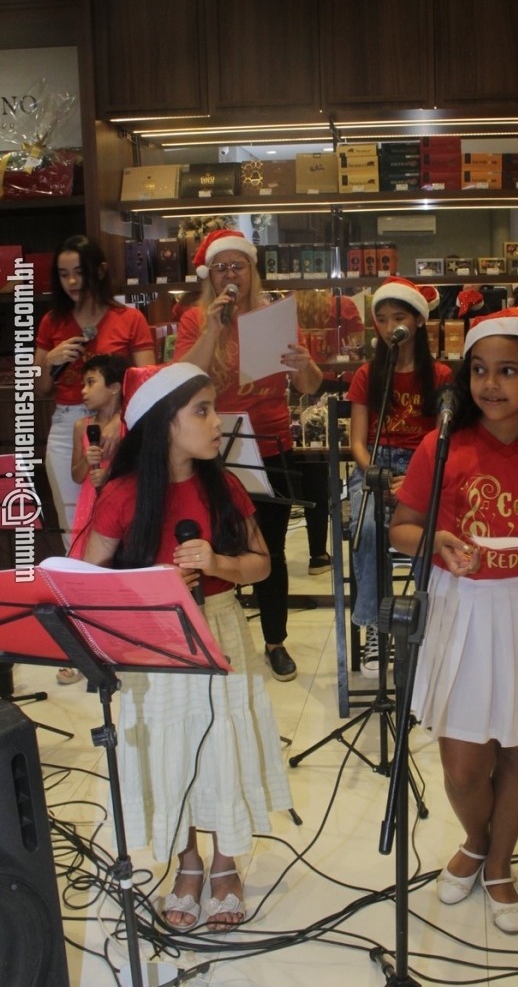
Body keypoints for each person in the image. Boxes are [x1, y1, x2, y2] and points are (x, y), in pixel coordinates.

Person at [389, 307, 518, 934]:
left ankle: (499, 862)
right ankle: (476, 840)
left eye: (508, 370)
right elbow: (403, 528)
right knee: (462, 764)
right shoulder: (442, 444)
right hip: (463, 608)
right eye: (479, 370)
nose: (490, 384)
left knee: (517, 750)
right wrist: (435, 541)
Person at [80, 361, 293, 931]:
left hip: (219, 630)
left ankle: (225, 863)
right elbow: (87, 579)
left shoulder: (222, 485)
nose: (216, 421)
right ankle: (189, 861)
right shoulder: (124, 494)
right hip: (155, 646)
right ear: (162, 424)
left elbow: (262, 564)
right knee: (170, 749)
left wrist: (217, 562)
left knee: (223, 742)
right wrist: (147, 588)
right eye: (201, 410)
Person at [174, 229, 323, 681]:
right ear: (210, 276)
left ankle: (274, 642)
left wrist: (305, 365)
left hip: (270, 444)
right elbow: (181, 379)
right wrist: (212, 329)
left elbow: (309, 387)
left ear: (252, 271)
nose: (230, 275)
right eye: (221, 268)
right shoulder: (193, 319)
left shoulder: (274, 316)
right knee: (216, 547)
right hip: (209, 447)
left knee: (268, 550)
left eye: (238, 266)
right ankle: (222, 638)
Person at [346, 277, 453, 676]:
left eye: (399, 317)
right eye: (383, 319)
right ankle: (377, 625)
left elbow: (446, 439)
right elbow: (357, 441)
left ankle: (433, 622)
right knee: (370, 527)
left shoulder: (441, 375)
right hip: (375, 465)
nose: (391, 327)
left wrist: (411, 482)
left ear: (418, 321)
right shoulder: (367, 373)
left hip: (422, 466)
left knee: (440, 526)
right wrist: (373, 472)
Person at [34, 235, 154, 547]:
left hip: (118, 424)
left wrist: (120, 421)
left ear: (98, 271)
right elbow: (40, 389)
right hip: (67, 427)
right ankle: (82, 590)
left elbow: (147, 380)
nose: (71, 281)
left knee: (122, 514)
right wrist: (50, 360)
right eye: (63, 274)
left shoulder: (128, 318)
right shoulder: (52, 322)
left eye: (79, 271)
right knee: (73, 523)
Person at [295, 289, 365, 575]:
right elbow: (358, 345)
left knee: (312, 465)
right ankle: (322, 553)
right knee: (332, 455)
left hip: (301, 383)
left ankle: (317, 554)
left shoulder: (288, 307)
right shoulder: (345, 306)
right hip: (340, 383)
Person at [69, 353, 127, 564]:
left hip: (119, 502)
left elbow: (136, 469)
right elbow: (76, 476)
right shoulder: (81, 426)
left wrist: (109, 476)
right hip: (89, 503)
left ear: (115, 387)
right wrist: (87, 459)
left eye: (91, 383)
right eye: (83, 384)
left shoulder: (128, 424)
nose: (83, 391)